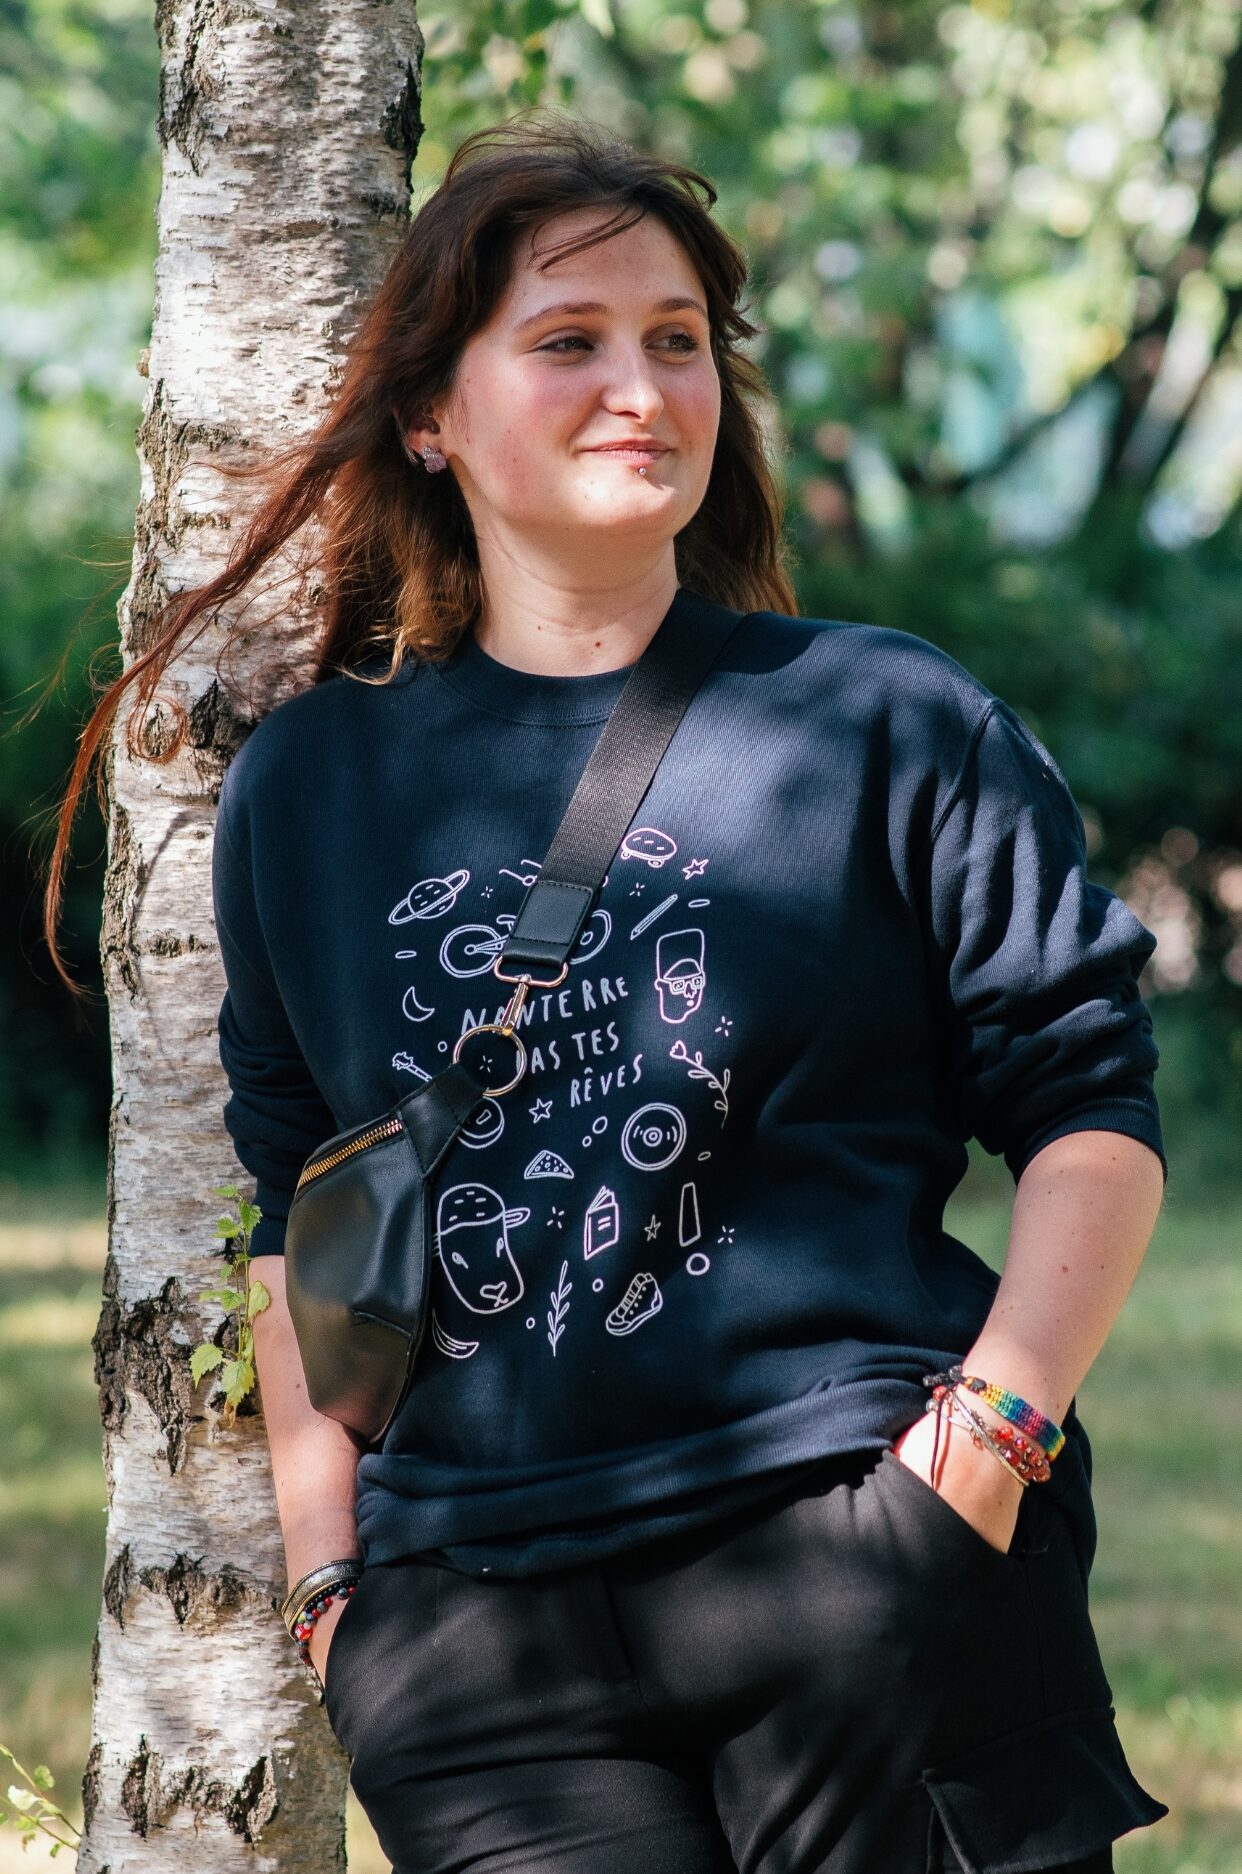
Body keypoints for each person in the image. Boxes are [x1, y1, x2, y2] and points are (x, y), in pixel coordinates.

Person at [98, 112, 1173, 1872]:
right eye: (568, 340)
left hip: (858, 1550)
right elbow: (302, 1203)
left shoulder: (882, 719)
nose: (640, 387)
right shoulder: (311, 787)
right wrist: (332, 1585)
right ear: (431, 415)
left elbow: (1088, 1109)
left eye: (676, 340)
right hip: (477, 1646)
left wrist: (976, 1454)